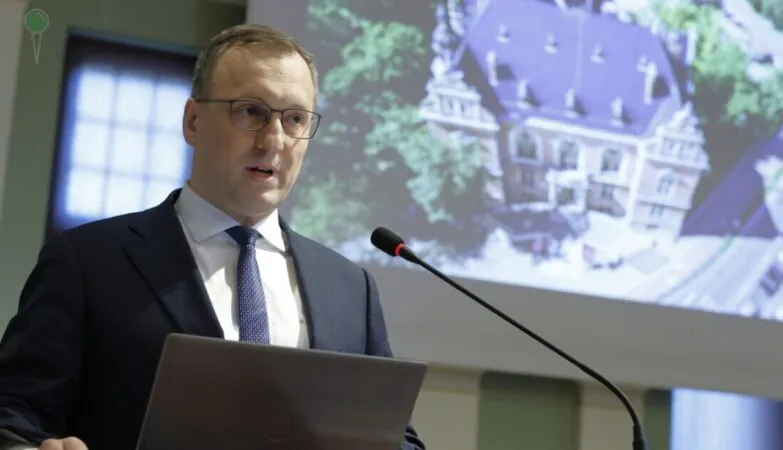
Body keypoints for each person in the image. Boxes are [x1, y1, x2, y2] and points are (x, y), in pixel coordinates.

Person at [0, 24, 425, 450]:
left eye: (294, 119)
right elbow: (13, 412)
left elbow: (393, 437)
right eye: (251, 112)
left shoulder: (351, 290)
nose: (273, 141)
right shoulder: (88, 262)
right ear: (193, 121)